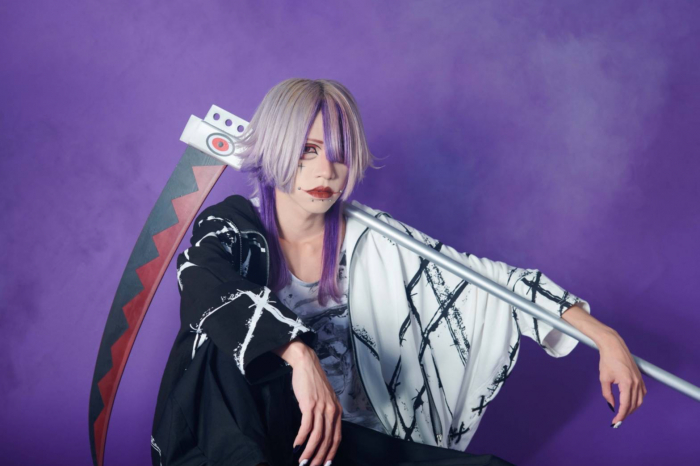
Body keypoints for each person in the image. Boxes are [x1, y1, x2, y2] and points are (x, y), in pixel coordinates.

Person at [150, 79, 646, 466]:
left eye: (340, 154)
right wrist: (297, 353)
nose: (326, 171)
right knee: (216, 338)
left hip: (350, 446)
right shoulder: (232, 227)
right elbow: (203, 283)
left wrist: (606, 338)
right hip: (259, 441)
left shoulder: (375, 239)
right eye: (308, 150)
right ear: (275, 147)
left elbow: (499, 286)